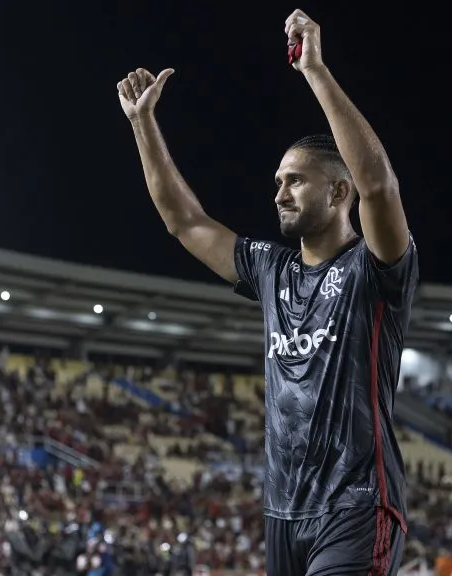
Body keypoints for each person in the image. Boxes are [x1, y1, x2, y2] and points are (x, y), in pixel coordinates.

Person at [117, 9, 417, 575]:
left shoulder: (374, 268)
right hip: (283, 513)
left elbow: (379, 184)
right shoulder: (269, 270)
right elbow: (185, 221)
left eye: (295, 180)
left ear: (338, 192)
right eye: (278, 180)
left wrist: (315, 72)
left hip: (357, 505)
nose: (279, 191)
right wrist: (143, 123)